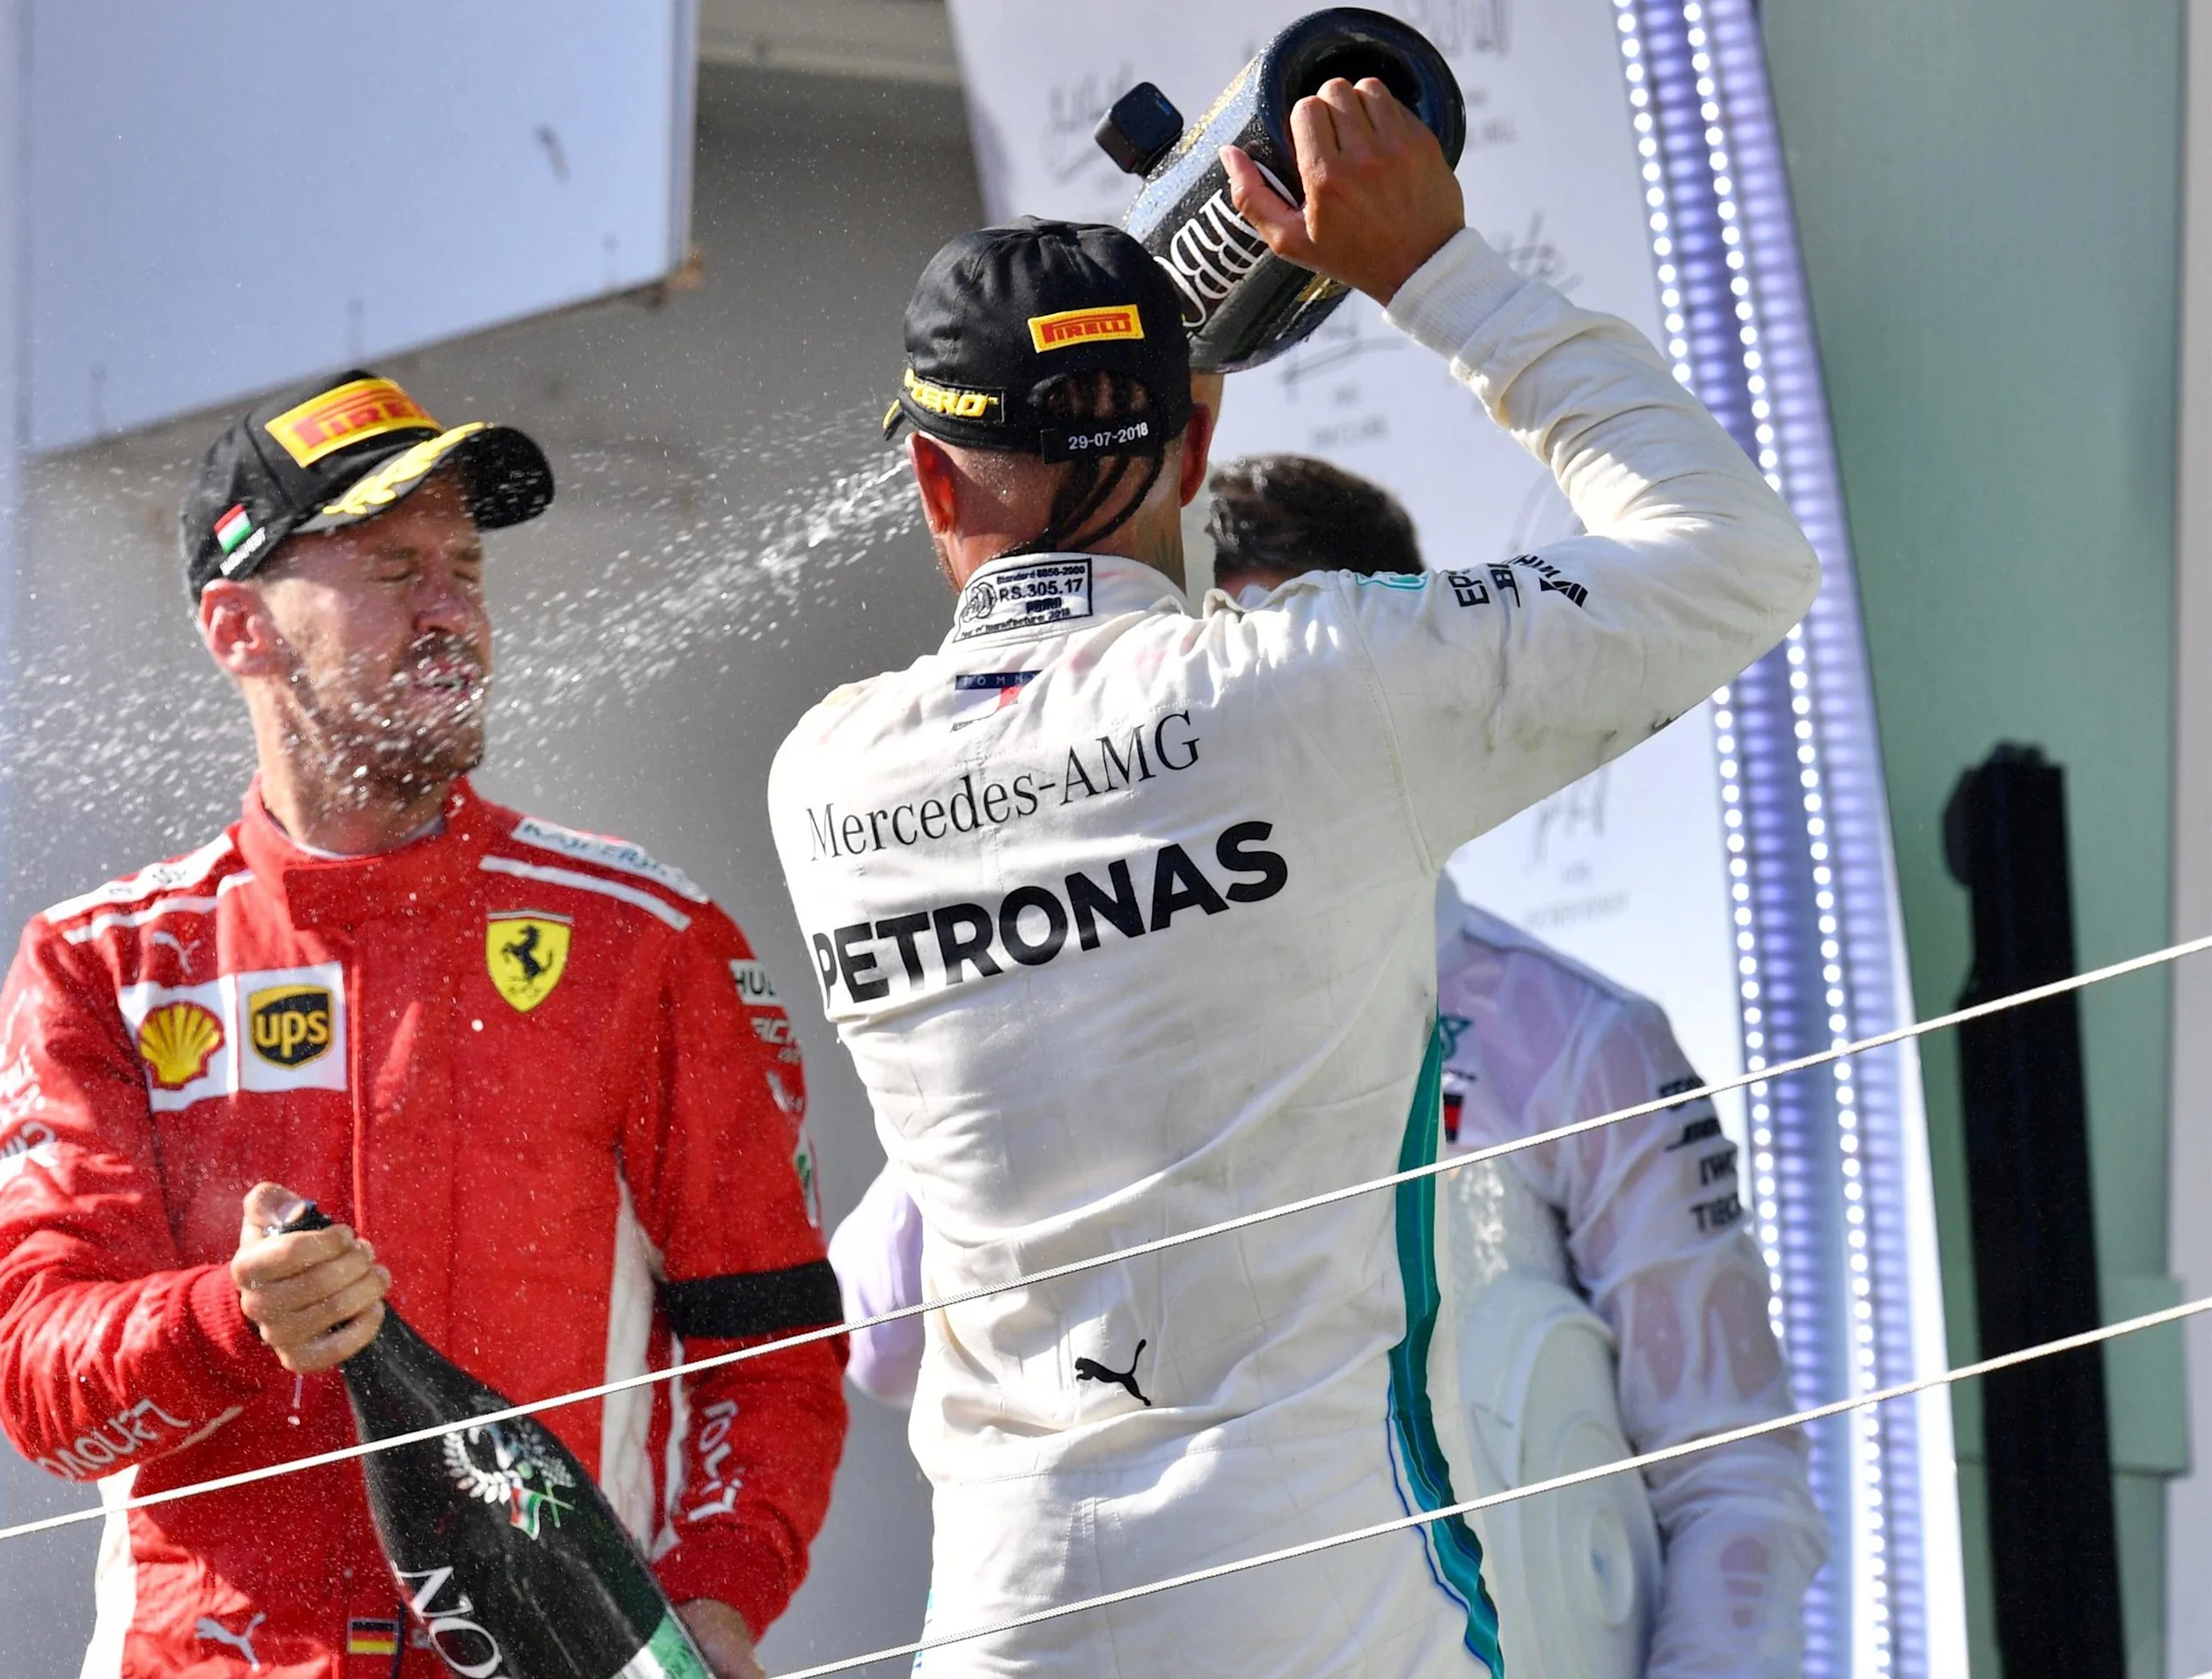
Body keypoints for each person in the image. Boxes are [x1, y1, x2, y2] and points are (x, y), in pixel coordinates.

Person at [765, 81, 1818, 1676]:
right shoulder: (1308, 690)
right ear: (1200, 437)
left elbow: (879, 1332)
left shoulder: (825, 772)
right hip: (1326, 1618)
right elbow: (1730, 555)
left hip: (1000, 1620)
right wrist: (1434, 271)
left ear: (928, 482)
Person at [0, 370, 846, 1679]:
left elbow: (770, 1341)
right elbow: (43, 1392)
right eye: (392, 570)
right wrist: (225, 1322)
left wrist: (714, 1601)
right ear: (238, 628)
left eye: (465, 569)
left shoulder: (645, 937)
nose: (451, 614)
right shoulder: (104, 963)